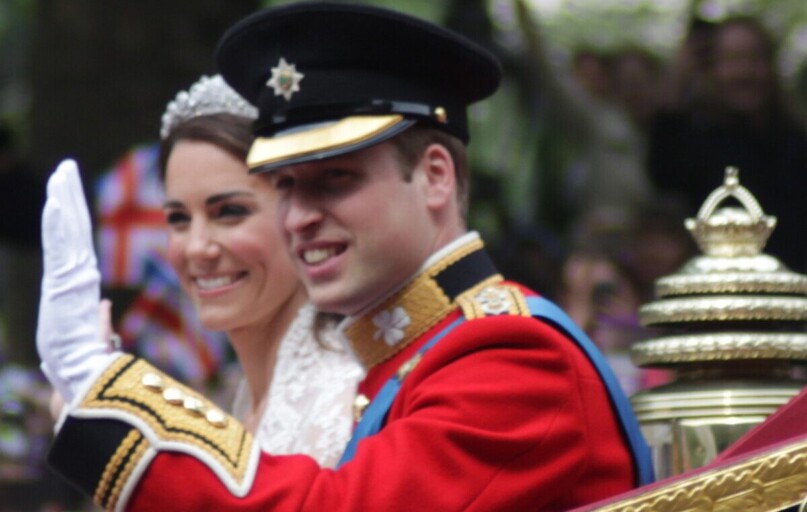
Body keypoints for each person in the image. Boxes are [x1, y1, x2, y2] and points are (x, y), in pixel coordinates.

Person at [38, 4, 652, 510]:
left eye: (335, 179)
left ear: (435, 177)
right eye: (285, 185)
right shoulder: (408, 352)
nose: (299, 216)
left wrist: (109, 395)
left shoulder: (513, 356)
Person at [158, 74, 363, 465]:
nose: (197, 247)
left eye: (230, 212)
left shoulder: (343, 402)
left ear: (297, 212)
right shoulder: (240, 400)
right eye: (178, 218)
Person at [648, 16, 807, 272]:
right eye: (732, 60)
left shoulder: (794, 142)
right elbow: (663, 178)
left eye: (754, 59)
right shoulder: (694, 140)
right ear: (712, 69)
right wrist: (677, 81)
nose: (744, 72)